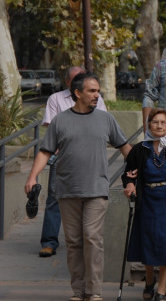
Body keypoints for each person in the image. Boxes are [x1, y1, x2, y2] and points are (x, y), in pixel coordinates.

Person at [24, 72, 131, 301]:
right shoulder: (60, 120)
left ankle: (94, 292)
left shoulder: (106, 119)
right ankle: (78, 290)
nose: (97, 95)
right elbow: (45, 151)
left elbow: (125, 147)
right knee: (73, 242)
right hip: (67, 189)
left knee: (92, 237)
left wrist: (137, 172)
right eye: (92, 91)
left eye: (98, 91)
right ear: (77, 93)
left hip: (96, 190)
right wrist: (32, 177)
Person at [37, 66, 107, 258]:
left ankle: (85, 241)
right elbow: (52, 129)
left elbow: (102, 123)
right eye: (77, 79)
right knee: (54, 197)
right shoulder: (56, 99)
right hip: (61, 156)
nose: (82, 81)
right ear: (69, 83)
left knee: (90, 200)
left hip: (89, 159)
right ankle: (49, 242)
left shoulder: (96, 99)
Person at [122, 108, 166, 301]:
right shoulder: (139, 149)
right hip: (146, 201)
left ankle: (161, 288)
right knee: (147, 242)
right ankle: (149, 280)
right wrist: (129, 184)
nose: (159, 126)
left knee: (165, 244)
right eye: (155, 122)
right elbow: (128, 173)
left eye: (163, 122)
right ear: (149, 125)